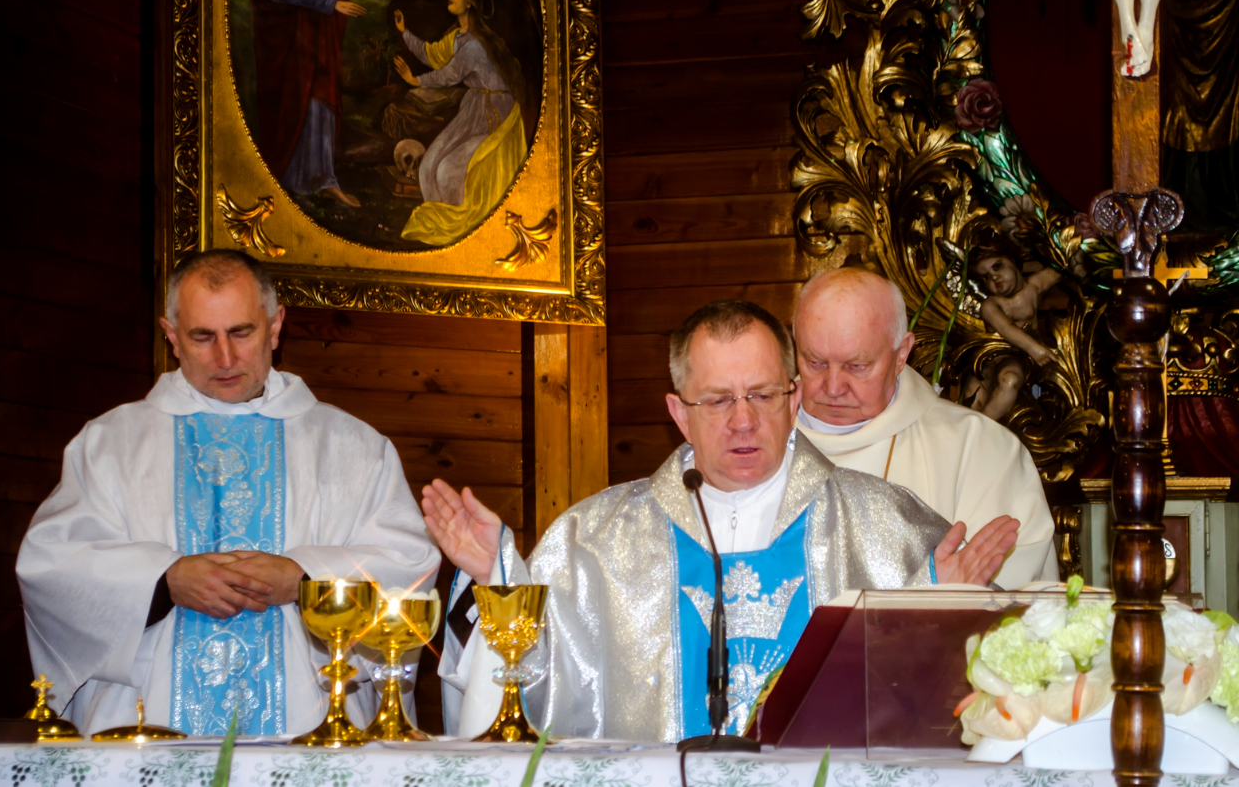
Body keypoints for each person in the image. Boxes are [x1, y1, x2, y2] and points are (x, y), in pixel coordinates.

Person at [425, 300, 1019, 741]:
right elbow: (538, 693)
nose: (742, 421)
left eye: (761, 396)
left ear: (792, 402)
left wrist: (941, 609)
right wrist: (500, 578)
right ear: (678, 413)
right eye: (717, 400)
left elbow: (968, 697)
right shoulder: (594, 538)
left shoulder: (884, 522)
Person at [17, 250, 439, 736]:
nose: (225, 358)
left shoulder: (353, 447)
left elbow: (408, 565)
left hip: (310, 723)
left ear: (276, 326)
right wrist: (162, 580)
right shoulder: (110, 443)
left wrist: (305, 580)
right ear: (171, 335)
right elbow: (52, 566)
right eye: (202, 337)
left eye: (242, 333)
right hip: (145, 724)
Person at [792, 268, 1058, 590]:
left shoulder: (980, 449)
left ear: (902, 354)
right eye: (815, 362)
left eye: (857, 366)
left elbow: (1011, 602)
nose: (833, 388)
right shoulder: (749, 442)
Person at [393, 0, 528, 246]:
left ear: (470, 2)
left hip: (495, 115)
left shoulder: (476, 45)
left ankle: (462, 235)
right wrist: (406, 33)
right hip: (474, 110)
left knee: (448, 170)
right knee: (429, 165)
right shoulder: (458, 38)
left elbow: (448, 75)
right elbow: (434, 55)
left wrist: (414, 80)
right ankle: (445, 228)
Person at [250, 0, 366, 207]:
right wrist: (331, 3)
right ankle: (294, 180)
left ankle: (324, 180)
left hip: (315, 39)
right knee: (300, 103)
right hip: (291, 42)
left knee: (319, 104)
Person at [965, 238, 1064, 421]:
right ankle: (970, 430)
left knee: (1009, 379)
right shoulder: (990, 305)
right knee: (975, 394)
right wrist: (1035, 348)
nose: (994, 277)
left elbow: (1063, 267)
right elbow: (1006, 328)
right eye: (985, 276)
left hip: (1017, 357)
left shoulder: (1034, 286)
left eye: (997, 266)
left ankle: (983, 429)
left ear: (1013, 260)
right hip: (987, 358)